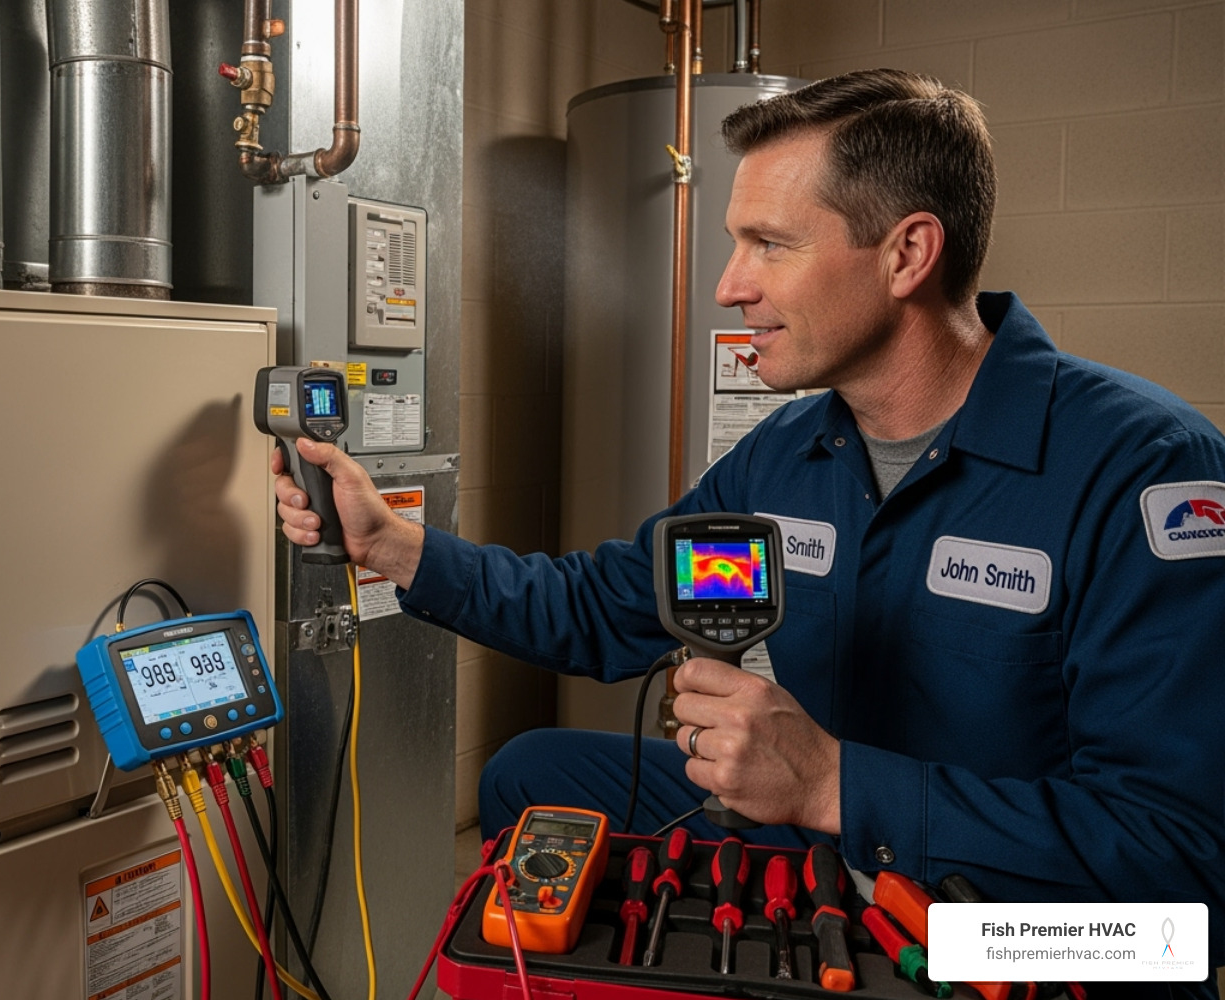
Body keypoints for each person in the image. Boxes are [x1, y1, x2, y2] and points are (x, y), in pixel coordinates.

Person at [272, 70, 1225, 994]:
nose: (729, 286)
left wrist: (837, 788)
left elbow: (1187, 874)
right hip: (834, 853)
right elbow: (604, 608)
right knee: (537, 771)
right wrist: (392, 547)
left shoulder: (1142, 472)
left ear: (907, 254)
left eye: (771, 245)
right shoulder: (791, 457)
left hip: (1031, 926)